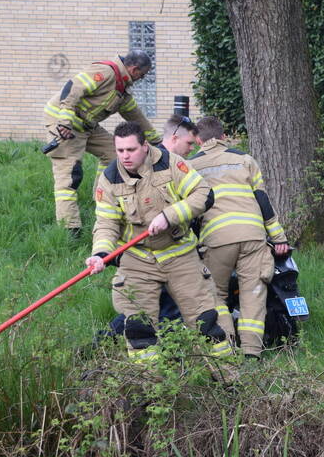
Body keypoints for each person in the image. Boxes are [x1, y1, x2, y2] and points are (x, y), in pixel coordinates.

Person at [84, 121, 232, 367]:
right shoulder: (109, 178)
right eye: (120, 151)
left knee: (207, 325)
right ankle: (153, 396)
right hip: (137, 259)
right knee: (139, 331)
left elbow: (203, 194)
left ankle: (230, 384)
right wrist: (100, 253)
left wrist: (169, 216)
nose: (125, 157)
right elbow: (106, 223)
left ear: (144, 145)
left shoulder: (171, 163)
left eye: (131, 150)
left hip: (180, 254)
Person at [188, 116, 290, 359]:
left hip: (216, 240)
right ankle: (252, 353)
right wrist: (278, 238)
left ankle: (227, 348)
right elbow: (263, 201)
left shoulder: (190, 166)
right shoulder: (245, 160)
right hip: (253, 237)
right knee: (253, 294)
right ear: (224, 137)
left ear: (198, 140)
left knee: (216, 296)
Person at [43, 51, 161, 237]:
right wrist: (64, 121)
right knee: (70, 176)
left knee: (118, 156)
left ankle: (101, 196)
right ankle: (69, 230)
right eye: (143, 74)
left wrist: (157, 142)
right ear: (134, 69)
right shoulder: (105, 72)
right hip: (64, 124)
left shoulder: (122, 88)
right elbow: (73, 88)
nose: (142, 78)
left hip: (87, 126)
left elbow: (135, 115)